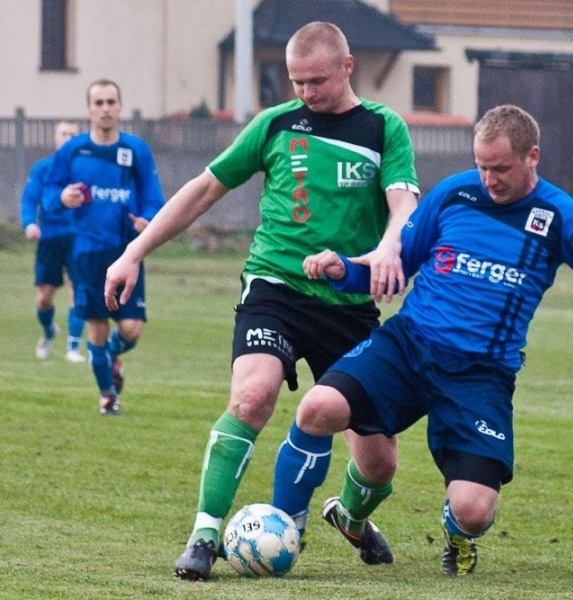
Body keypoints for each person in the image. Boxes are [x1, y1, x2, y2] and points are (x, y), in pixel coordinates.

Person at [283, 104, 573, 577]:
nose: (489, 179)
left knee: (474, 510)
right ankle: (290, 526)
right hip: (408, 345)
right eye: (482, 166)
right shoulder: (453, 194)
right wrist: (345, 270)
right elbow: (397, 266)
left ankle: (456, 533)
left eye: (501, 168)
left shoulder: (560, 216)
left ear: (533, 157)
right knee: (317, 408)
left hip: (480, 375)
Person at [103, 22, 420, 581]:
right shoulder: (275, 125)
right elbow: (204, 190)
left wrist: (391, 246)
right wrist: (134, 252)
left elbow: (403, 201)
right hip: (275, 286)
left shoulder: (382, 128)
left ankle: (348, 514)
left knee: (378, 460)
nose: (304, 92)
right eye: (295, 81)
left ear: (347, 67)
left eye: (316, 80)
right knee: (253, 396)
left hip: (348, 305)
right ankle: (204, 534)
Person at [46, 80, 165, 416]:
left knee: (131, 330)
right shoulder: (73, 151)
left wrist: (148, 220)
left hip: (127, 252)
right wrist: (60, 197)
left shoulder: (136, 150)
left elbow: (154, 198)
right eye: (98, 102)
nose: (105, 108)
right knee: (97, 325)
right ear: (89, 109)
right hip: (86, 253)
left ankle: (113, 354)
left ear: (120, 106)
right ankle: (108, 396)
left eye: (111, 101)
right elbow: (49, 193)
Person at [21, 120, 86, 363]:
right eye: (64, 133)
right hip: (49, 237)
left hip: (79, 237)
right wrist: (29, 223)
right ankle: (49, 331)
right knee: (45, 296)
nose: (68, 137)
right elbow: (29, 199)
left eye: (73, 134)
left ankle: (73, 348)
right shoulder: (43, 168)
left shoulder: (85, 169)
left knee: (77, 290)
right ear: (55, 138)